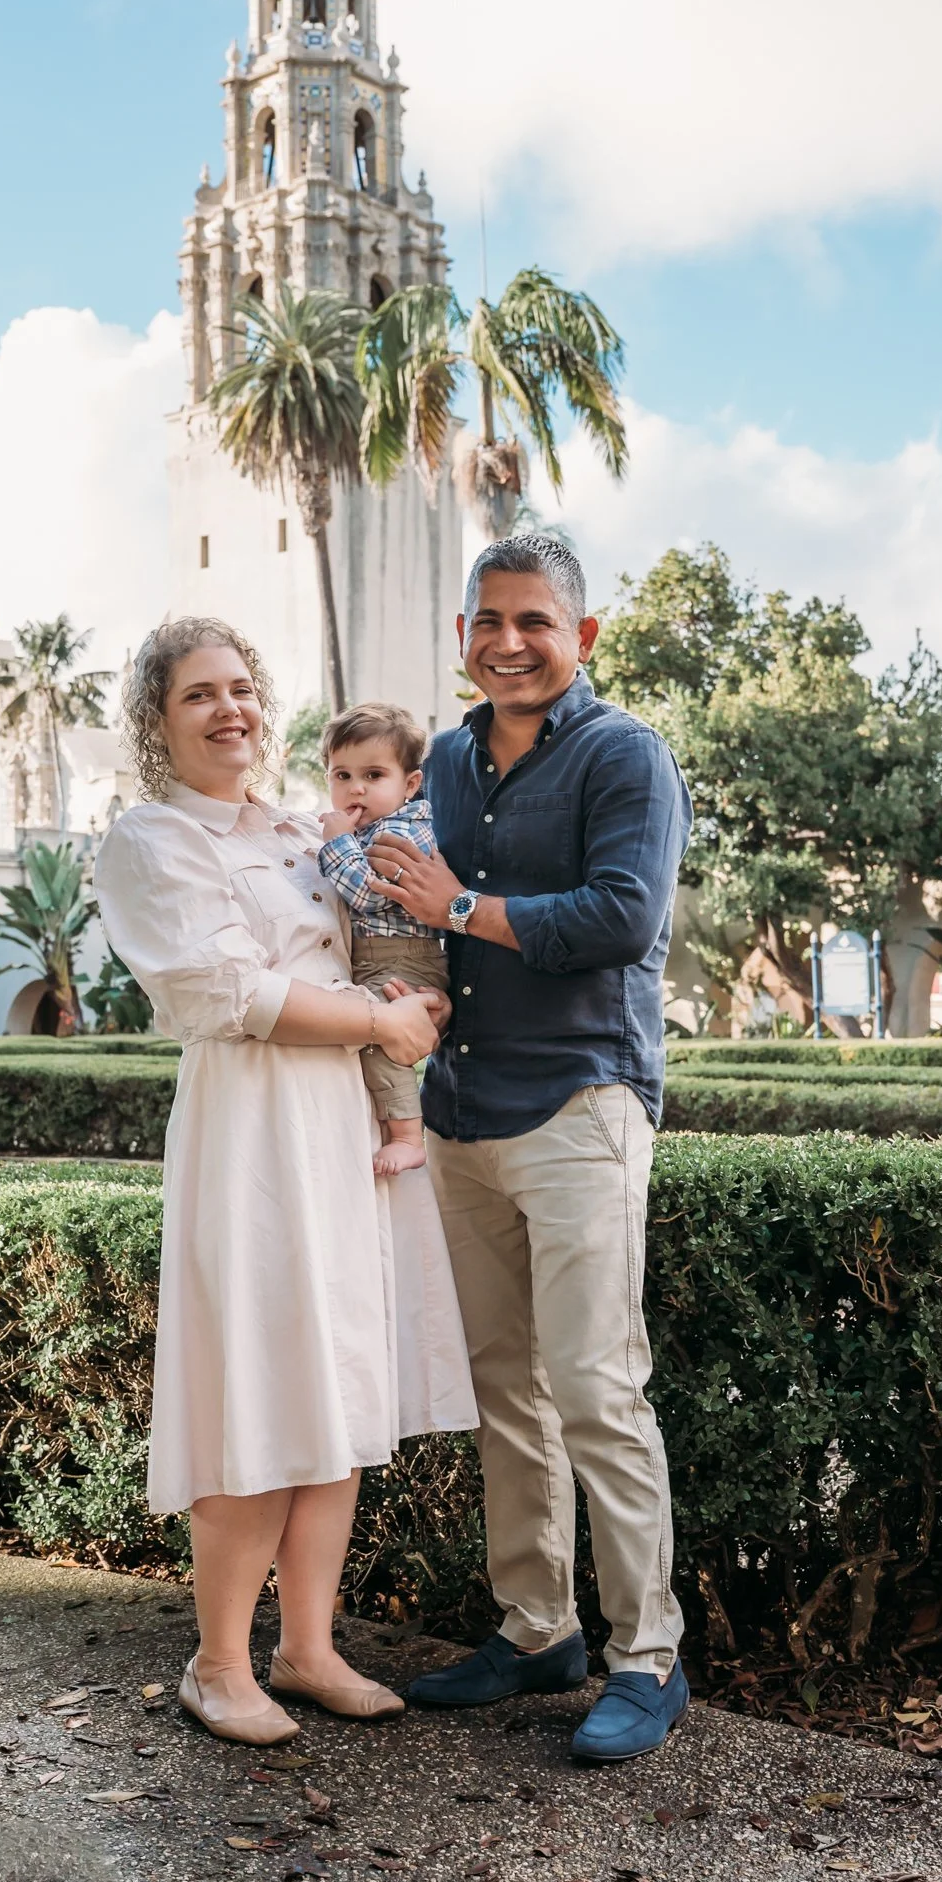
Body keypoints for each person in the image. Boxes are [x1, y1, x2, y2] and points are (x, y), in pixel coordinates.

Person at [93, 617, 476, 1748]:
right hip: (252, 1127)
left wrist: (418, 998)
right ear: (158, 721)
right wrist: (380, 1022)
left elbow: (379, 938)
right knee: (257, 1386)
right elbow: (227, 993)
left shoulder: (306, 830)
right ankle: (218, 1664)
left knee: (335, 1388)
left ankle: (307, 1649)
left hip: (340, 1124)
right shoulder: (153, 838)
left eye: (242, 688)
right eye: (199, 694)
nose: (231, 710)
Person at [366, 535, 694, 1765]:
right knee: (505, 1388)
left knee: (598, 1387)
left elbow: (624, 917)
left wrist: (459, 906)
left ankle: (647, 1658)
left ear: (582, 636)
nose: (510, 643)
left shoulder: (625, 754)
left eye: (536, 621)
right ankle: (537, 1629)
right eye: (489, 622)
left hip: (579, 1105)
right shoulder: (447, 761)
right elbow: (399, 911)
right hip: (461, 1112)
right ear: (464, 637)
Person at [317, 702, 448, 1175]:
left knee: (375, 1031)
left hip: (405, 958)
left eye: (374, 775)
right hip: (380, 956)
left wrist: (336, 843)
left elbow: (370, 895)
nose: (356, 788)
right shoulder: (368, 829)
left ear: (409, 784)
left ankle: (409, 1136)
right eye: (343, 775)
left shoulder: (403, 830)